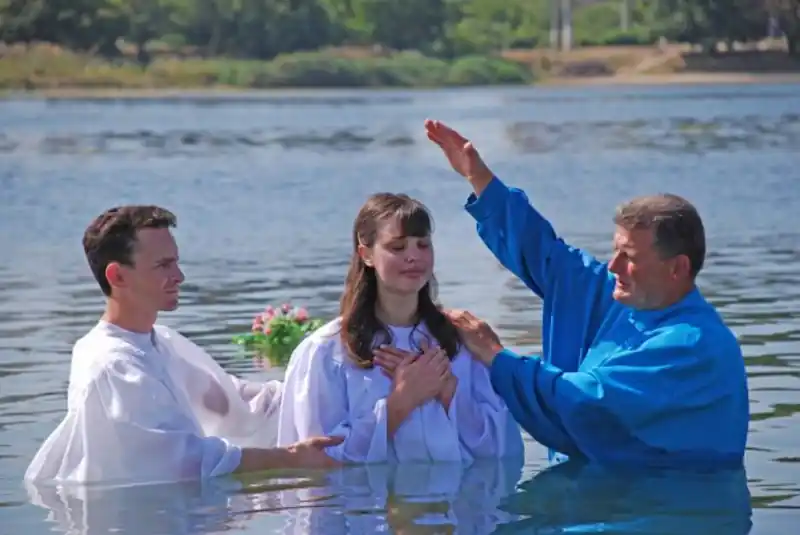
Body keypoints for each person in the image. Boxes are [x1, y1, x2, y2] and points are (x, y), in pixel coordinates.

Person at [423, 119, 749, 469]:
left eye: (631, 257)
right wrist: (481, 180)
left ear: (677, 268)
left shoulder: (694, 347)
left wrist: (494, 354)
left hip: (664, 509)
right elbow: (550, 258)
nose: (613, 266)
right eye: (615, 251)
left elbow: (587, 400)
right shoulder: (625, 299)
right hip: (600, 492)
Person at [24, 205, 342, 486]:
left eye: (175, 262)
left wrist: (332, 382)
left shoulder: (160, 341)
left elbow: (233, 402)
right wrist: (288, 458)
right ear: (118, 276)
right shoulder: (113, 363)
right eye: (163, 265)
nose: (180, 276)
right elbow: (181, 463)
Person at [275, 193, 524, 463]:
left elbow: (504, 453)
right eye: (398, 247)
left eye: (423, 245)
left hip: (456, 503)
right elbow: (312, 463)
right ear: (366, 254)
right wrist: (401, 402)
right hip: (369, 504)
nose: (413, 257)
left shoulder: (460, 341)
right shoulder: (326, 352)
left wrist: (449, 392)